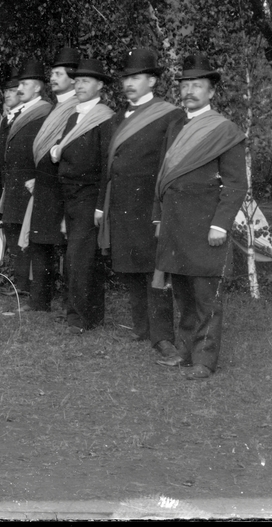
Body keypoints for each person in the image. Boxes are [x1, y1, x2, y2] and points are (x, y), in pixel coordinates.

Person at [153, 54, 248, 380]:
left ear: (211, 92)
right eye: (185, 85)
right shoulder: (175, 126)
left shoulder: (226, 131)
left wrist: (220, 224)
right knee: (182, 293)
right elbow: (162, 177)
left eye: (197, 85)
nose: (190, 91)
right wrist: (158, 218)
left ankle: (204, 361)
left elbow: (236, 184)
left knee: (206, 296)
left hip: (207, 225)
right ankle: (184, 352)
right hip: (175, 223)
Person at [95, 48, 186, 361]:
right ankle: (141, 326)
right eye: (126, 78)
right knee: (130, 268)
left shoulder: (170, 116)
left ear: (152, 80)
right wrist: (101, 205)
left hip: (150, 205)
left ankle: (163, 336)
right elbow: (107, 167)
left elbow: (171, 164)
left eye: (136, 77)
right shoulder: (117, 118)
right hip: (121, 205)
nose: (129, 83)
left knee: (154, 272)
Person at [51, 57, 116, 332]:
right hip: (70, 194)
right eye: (76, 81)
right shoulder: (73, 116)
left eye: (85, 81)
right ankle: (86, 313)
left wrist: (101, 205)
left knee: (81, 256)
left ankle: (79, 317)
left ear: (99, 85)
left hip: (89, 195)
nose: (79, 86)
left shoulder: (104, 119)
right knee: (77, 254)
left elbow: (107, 165)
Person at [27, 47, 81, 313]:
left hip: (64, 185)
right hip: (45, 184)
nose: (52, 78)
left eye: (59, 74)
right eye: (52, 73)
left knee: (68, 247)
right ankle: (40, 302)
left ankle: (70, 305)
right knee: (40, 243)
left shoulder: (76, 108)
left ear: (73, 78)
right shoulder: (56, 107)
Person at [0, 63, 52, 304]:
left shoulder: (44, 112)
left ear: (37, 87)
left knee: (26, 234)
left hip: (28, 183)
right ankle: (21, 284)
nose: (17, 90)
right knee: (13, 230)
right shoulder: (15, 115)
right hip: (12, 183)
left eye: (23, 84)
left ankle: (30, 286)